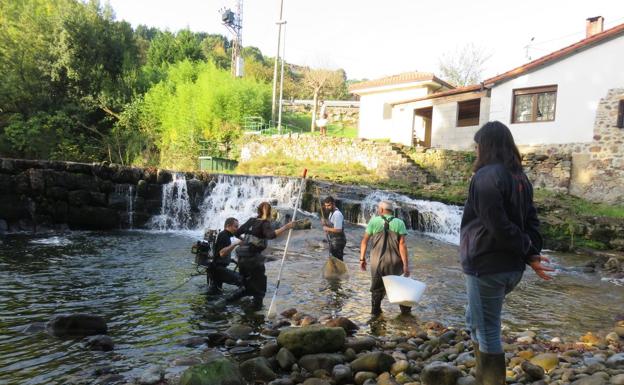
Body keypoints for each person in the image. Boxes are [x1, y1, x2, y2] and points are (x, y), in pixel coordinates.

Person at [460, 121, 554, 385]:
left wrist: (528, 252)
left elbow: (498, 226)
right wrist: (531, 254)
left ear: (487, 147)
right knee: (474, 318)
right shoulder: (520, 177)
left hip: (487, 265)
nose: (475, 151)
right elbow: (531, 221)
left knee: (487, 329)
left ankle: (490, 380)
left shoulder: (485, 177)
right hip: (511, 268)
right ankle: (484, 373)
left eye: (478, 146)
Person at [227, 202, 295, 310]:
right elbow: (271, 235)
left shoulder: (251, 220)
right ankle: (256, 315)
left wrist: (245, 241)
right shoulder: (265, 223)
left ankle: (228, 302)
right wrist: (286, 227)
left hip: (241, 258)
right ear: (269, 212)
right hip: (253, 259)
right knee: (260, 289)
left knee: (246, 285)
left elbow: (236, 233)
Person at [359, 200, 411, 316]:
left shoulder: (374, 221)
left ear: (381, 210)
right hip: (395, 262)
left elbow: (364, 241)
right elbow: (402, 245)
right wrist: (406, 265)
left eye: (379, 209)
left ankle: (375, 314)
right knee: (400, 287)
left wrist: (362, 259)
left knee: (376, 289)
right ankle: (405, 315)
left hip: (377, 262)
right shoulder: (399, 223)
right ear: (392, 211)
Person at [207, 217, 243, 295]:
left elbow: (219, 254)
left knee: (216, 291)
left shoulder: (227, 235)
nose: (237, 229)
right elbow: (222, 253)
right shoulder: (224, 235)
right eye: (236, 226)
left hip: (217, 268)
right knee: (242, 280)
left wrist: (233, 260)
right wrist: (235, 243)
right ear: (228, 226)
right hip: (218, 269)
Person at [322, 196, 346, 261]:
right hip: (333, 240)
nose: (327, 207)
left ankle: (340, 271)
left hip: (338, 241)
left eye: (328, 205)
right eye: (326, 206)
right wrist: (325, 223)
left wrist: (327, 228)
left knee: (337, 260)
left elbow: (338, 229)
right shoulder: (331, 213)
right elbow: (332, 226)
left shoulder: (337, 214)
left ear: (333, 204)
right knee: (333, 259)